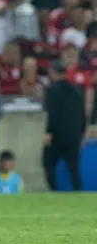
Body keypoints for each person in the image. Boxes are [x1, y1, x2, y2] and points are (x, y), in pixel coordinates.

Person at [42, 59, 84, 191]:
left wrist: (49, 132)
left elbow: (53, 113)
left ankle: (54, 190)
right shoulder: (76, 90)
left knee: (48, 162)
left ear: (53, 72)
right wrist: (81, 134)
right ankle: (78, 192)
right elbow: (83, 115)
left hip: (58, 136)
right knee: (74, 169)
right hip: (74, 136)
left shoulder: (52, 90)